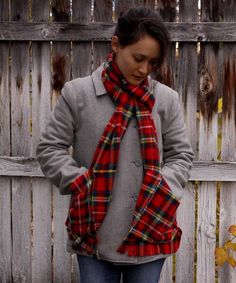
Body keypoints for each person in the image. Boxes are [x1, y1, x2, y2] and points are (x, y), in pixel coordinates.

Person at [36, 6, 194, 283]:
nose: (144, 69)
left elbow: (181, 155)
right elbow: (50, 149)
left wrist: (162, 188)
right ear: (116, 44)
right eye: (138, 58)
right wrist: (82, 183)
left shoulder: (165, 99)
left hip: (150, 229)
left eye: (153, 63)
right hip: (94, 232)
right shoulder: (79, 93)